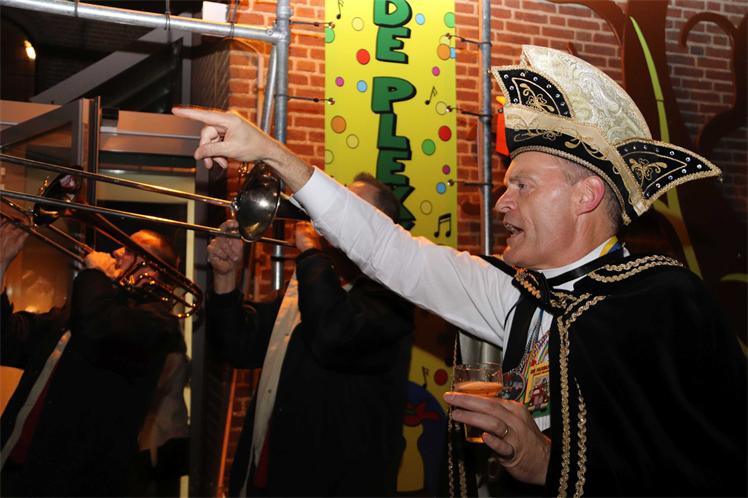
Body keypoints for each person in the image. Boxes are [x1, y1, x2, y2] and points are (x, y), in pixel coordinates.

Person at [174, 45, 746, 496]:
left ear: (586, 195)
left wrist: (548, 464)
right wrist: (274, 154)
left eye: (522, 185)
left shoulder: (665, 303)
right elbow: (392, 252)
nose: (501, 203)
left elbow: (711, 466)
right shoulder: (514, 293)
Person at [206, 172, 413, 497]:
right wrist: (225, 276)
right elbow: (236, 345)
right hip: (269, 480)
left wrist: (310, 253)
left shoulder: (391, 297)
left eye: (349, 208)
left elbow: (333, 335)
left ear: (380, 227)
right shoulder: (307, 286)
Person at [0, 222, 187, 497]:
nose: (117, 252)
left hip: (72, 484)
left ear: (152, 271)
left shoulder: (157, 324)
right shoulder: (82, 311)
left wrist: (95, 274)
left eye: (130, 249)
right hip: (15, 468)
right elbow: (7, 342)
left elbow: (96, 330)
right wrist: (2, 264)